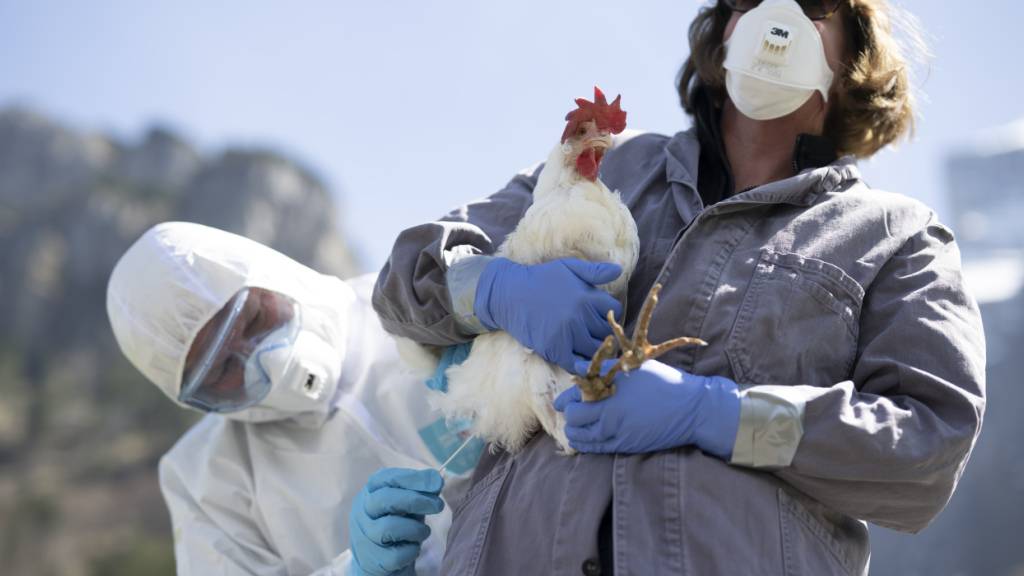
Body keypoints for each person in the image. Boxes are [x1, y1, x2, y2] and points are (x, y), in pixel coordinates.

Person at [372, 0, 986, 574]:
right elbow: (405, 280)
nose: (778, 16)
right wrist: (494, 289)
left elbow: (923, 450)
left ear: (854, 47)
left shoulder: (895, 237)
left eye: (812, 2)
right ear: (724, 29)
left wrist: (716, 414)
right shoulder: (609, 167)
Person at [107, 221, 477, 576]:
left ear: (270, 275)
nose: (257, 360)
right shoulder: (206, 482)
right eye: (220, 371)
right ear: (197, 398)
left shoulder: (412, 299)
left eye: (253, 319)